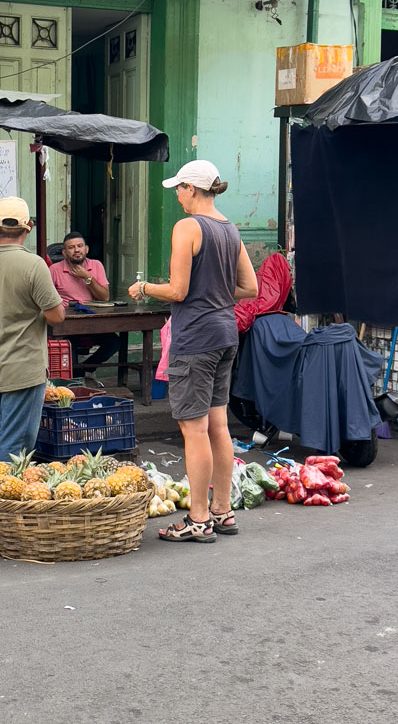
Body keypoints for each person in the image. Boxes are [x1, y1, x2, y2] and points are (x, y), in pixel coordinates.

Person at [129, 160, 257, 543]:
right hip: (224, 334)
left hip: (196, 339)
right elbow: (249, 286)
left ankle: (198, 517)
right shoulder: (230, 229)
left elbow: (179, 291)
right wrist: (215, 294)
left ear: (193, 189)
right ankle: (222, 510)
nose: (178, 195)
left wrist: (146, 288)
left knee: (194, 429)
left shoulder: (188, 227)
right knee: (218, 426)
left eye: (179, 189)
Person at [0, 197, 65, 462]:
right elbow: (56, 316)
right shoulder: (33, 265)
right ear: (28, 227)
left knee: (0, 433)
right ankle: (0, 501)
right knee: (15, 446)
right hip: (24, 366)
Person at [48, 231, 118, 368]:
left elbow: (104, 297)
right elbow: (47, 299)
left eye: (80, 246)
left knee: (114, 343)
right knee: (69, 344)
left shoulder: (96, 265)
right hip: (66, 323)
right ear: (64, 253)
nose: (76, 250)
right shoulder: (54, 269)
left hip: (92, 321)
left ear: (86, 249)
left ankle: (86, 369)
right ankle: (75, 377)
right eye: (71, 247)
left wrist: (87, 277)